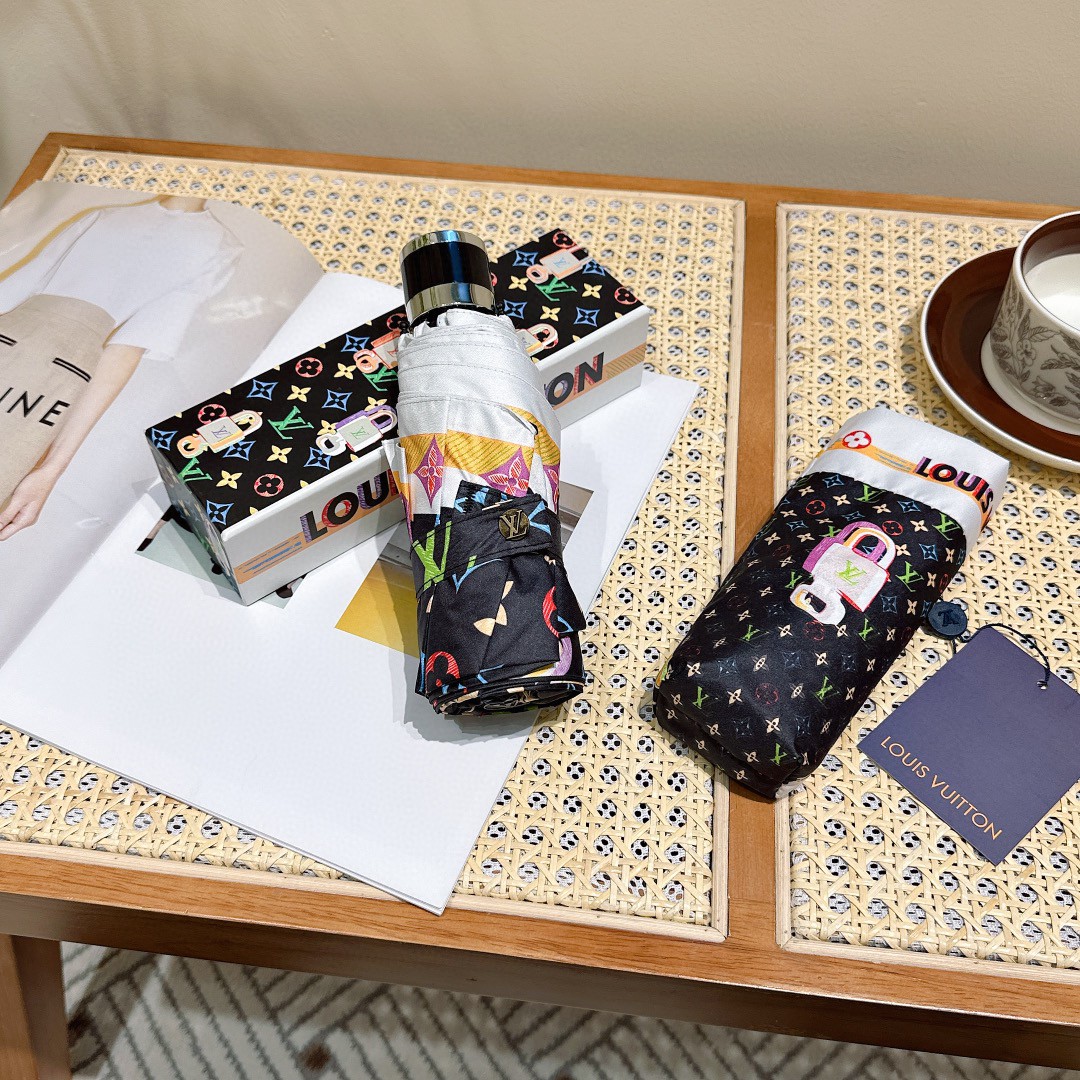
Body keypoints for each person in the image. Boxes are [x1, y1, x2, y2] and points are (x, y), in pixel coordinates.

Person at [0, 194, 241, 539]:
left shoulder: (217, 247)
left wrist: (51, 470)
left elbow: (125, 350)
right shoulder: (104, 215)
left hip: (48, 382)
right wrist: (51, 469)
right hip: (42, 364)